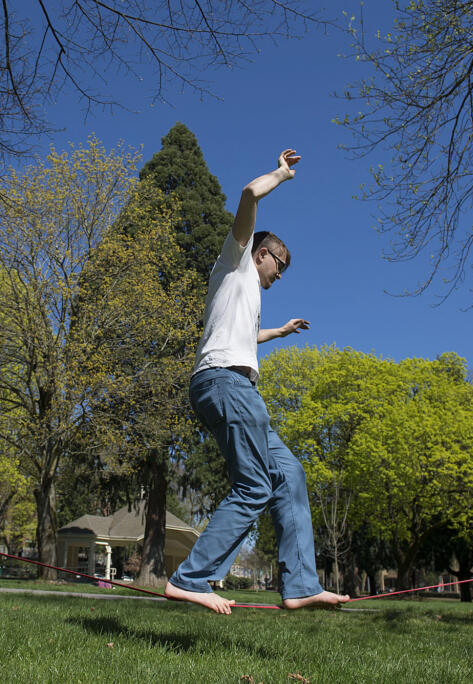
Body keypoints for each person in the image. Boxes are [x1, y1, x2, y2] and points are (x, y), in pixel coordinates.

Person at [163, 149, 350, 615]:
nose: (280, 275)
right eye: (279, 266)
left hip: (238, 388)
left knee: (289, 474)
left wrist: (279, 332)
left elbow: (245, 335)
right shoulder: (237, 261)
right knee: (254, 486)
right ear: (261, 253)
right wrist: (282, 175)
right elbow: (248, 194)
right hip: (225, 383)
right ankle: (191, 579)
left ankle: (301, 584)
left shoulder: (243, 298)